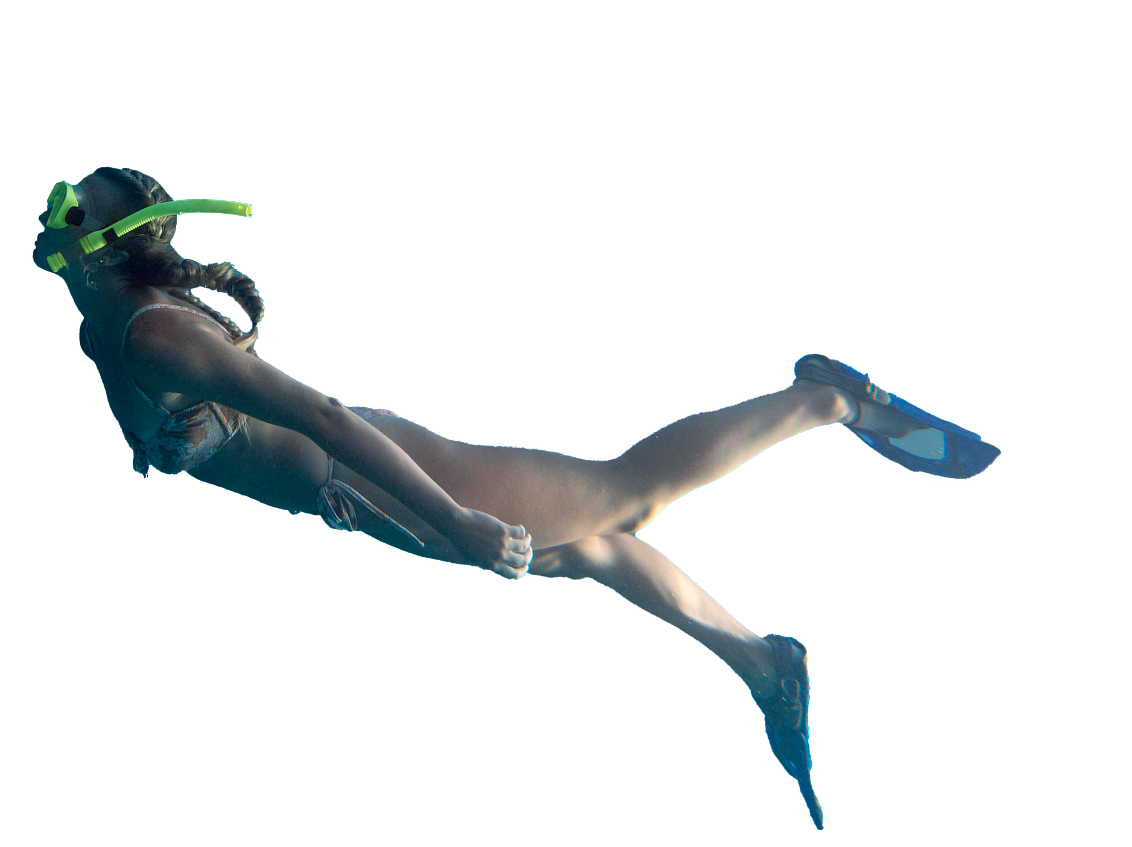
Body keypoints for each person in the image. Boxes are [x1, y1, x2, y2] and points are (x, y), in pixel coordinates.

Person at [34, 167, 1002, 830]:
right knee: (578, 549)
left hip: (375, 471)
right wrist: (175, 449)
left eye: (71, 202)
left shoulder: (152, 335)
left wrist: (451, 516)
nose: (53, 204)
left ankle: (825, 399)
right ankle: (761, 661)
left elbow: (322, 414)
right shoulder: (100, 325)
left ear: (101, 244)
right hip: (346, 495)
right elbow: (219, 417)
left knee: (623, 497)